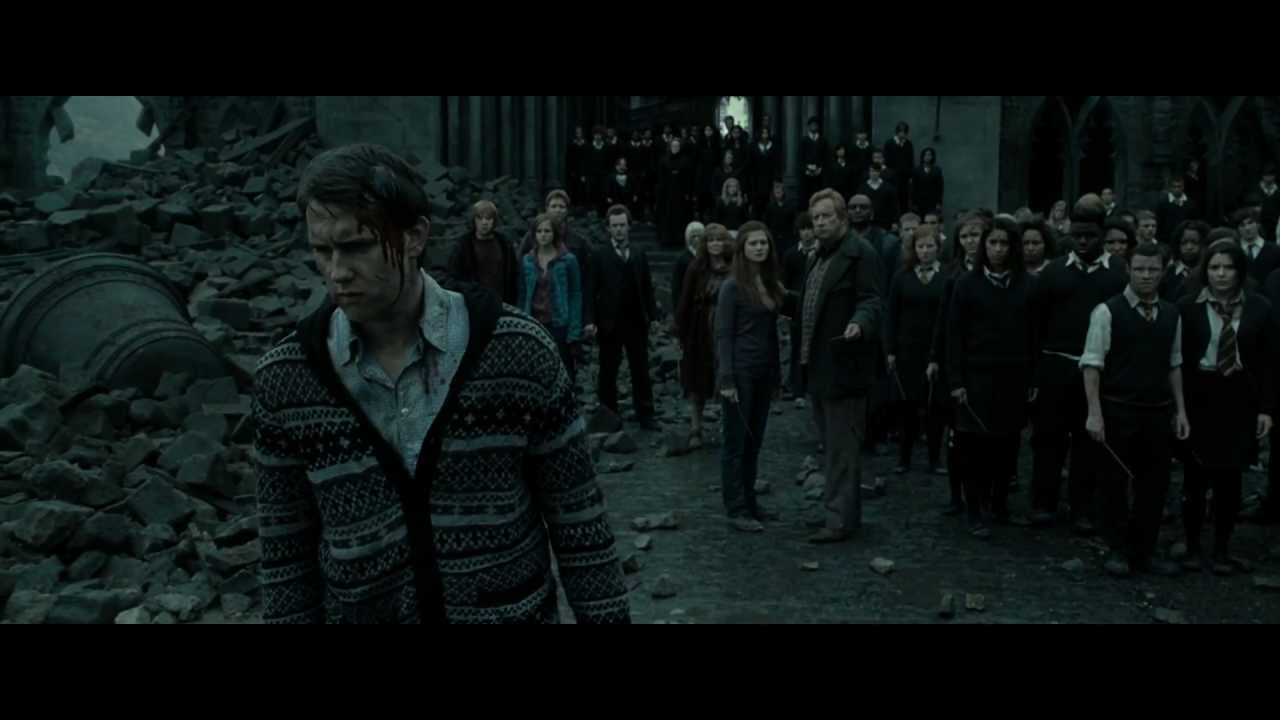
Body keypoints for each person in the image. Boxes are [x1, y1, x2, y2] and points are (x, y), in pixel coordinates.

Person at [253, 143, 629, 624]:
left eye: (357, 247)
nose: (336, 272)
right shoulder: (287, 379)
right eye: (321, 251)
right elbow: (286, 563)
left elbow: (580, 526)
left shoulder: (517, 352)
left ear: (415, 236)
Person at [1081, 242, 1190, 578]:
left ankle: (1144, 551)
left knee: (1154, 485)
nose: (1146, 275)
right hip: (1118, 410)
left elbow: (1174, 364)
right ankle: (1117, 549)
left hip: (1157, 412)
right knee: (1114, 483)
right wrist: (1094, 413)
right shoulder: (1106, 312)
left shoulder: (1172, 314)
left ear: (1163, 272)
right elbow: (1092, 366)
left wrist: (1181, 411)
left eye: (1153, 269)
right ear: (1128, 269)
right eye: (1139, 269)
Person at [1026, 206, 1127, 531]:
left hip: (1096, 373)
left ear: (1102, 235)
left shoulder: (1117, 275)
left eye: (1090, 236)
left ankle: (1082, 508)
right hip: (1055, 368)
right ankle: (1043, 503)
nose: (1083, 241)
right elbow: (1036, 326)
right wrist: (1037, 373)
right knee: (1048, 438)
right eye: (1077, 235)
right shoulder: (1053, 273)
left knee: (1089, 441)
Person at [1178, 240, 1275, 574]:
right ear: (1205, 271)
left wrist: (1266, 409)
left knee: (1230, 478)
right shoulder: (1188, 306)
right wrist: (1178, 407)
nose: (1221, 274)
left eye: (1229, 267)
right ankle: (1192, 546)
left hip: (1239, 396)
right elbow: (1177, 360)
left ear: (1240, 272)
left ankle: (1222, 549)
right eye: (1214, 267)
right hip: (1199, 395)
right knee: (1194, 476)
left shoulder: (1260, 307)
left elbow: (1269, 362)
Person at [798, 189, 883, 543]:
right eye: (815, 217)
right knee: (831, 444)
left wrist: (859, 323)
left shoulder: (860, 253)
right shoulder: (817, 255)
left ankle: (838, 521)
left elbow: (873, 299)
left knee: (842, 449)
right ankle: (845, 514)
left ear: (842, 218)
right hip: (818, 364)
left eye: (826, 217)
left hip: (845, 365)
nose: (819, 223)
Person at [946, 217, 1036, 538]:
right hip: (975, 377)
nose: (998, 249)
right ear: (984, 246)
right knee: (974, 446)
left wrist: (1032, 378)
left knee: (1007, 444)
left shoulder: (1026, 285)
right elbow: (953, 335)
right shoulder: (966, 284)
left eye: (1004, 243)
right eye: (992, 243)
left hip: (1012, 377)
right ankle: (974, 510)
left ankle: (999, 505)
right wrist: (956, 381)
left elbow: (1033, 335)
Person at [717, 220, 788, 532]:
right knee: (736, 441)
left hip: (764, 370)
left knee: (755, 440)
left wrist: (776, 376)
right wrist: (727, 379)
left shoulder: (769, 283)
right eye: (753, 243)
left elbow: (772, 334)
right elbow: (723, 334)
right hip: (740, 371)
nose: (759, 248)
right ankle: (736, 509)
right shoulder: (732, 286)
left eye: (763, 243)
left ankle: (750, 501)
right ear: (742, 248)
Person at [929, 212, 987, 516]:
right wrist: (935, 358)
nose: (970, 242)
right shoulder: (952, 275)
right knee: (956, 433)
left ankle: (985, 494)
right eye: (965, 236)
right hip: (956, 360)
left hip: (985, 362)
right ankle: (956, 495)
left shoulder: (993, 272)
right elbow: (942, 322)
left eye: (975, 235)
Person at [886, 222, 948, 475]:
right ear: (914, 249)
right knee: (907, 406)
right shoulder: (901, 276)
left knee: (935, 407)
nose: (925, 251)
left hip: (936, 352)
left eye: (930, 246)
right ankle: (904, 458)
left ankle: (935, 459)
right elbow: (891, 315)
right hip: (906, 352)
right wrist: (890, 350)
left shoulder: (948, 277)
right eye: (920, 247)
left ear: (938, 248)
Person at [594, 205, 662, 429]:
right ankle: (608, 414)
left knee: (640, 368)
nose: (619, 230)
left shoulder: (639, 253)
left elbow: (647, 287)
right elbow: (592, 289)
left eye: (622, 225)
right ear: (608, 228)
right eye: (615, 226)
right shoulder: (600, 254)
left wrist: (653, 316)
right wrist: (591, 320)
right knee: (608, 370)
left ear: (629, 226)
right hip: (609, 322)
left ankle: (646, 414)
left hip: (636, 321)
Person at [675, 223, 733, 451]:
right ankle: (696, 428)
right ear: (705, 244)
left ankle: (728, 427)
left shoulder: (735, 267)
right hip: (700, 330)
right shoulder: (696, 267)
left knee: (727, 376)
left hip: (727, 328)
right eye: (711, 240)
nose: (715, 244)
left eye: (719, 239)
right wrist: (681, 331)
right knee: (697, 379)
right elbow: (685, 300)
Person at [520, 190, 596, 341]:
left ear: (567, 210)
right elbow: (522, 280)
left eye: (561, 207)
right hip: (535, 315)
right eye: (553, 206)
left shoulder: (578, 242)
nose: (557, 210)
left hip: (564, 315)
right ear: (546, 208)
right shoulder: (532, 238)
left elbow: (584, 285)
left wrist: (587, 319)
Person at [518, 212, 584, 379]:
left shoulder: (568, 260)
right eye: (539, 231)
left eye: (547, 231)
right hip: (534, 323)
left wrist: (574, 330)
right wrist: (522, 323)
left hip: (559, 323)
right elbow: (523, 294)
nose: (543, 235)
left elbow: (575, 295)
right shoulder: (527, 261)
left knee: (563, 372)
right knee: (536, 372)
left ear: (554, 233)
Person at [447, 199, 519, 305]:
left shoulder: (504, 244)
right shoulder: (464, 245)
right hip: (474, 304)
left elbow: (513, 275)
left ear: (494, 221)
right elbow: (453, 277)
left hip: (501, 302)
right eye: (480, 218)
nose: (484, 222)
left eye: (488, 218)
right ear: (474, 220)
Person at [782, 211, 817, 406]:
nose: (807, 233)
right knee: (797, 347)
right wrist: (786, 312)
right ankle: (798, 390)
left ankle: (813, 387)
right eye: (803, 229)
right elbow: (784, 285)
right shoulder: (790, 255)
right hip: (796, 308)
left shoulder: (821, 252)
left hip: (815, 305)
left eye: (810, 228)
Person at [656, 138, 694, 247]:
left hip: (681, 194)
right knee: (667, 216)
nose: (675, 148)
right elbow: (660, 178)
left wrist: (688, 193)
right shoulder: (664, 160)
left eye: (677, 146)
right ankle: (667, 239)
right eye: (673, 146)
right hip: (667, 194)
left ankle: (679, 240)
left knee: (680, 217)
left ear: (680, 147)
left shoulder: (686, 161)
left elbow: (688, 178)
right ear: (670, 147)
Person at [1160, 220, 1210, 302]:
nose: (1189, 247)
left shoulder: (1208, 273)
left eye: (1194, 242)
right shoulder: (1168, 274)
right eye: (1184, 242)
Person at [1237, 206, 1280, 285]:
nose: (1247, 228)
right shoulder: (1235, 251)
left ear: (1258, 224)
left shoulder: (1275, 250)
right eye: (1242, 225)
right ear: (1237, 229)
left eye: (1250, 223)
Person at [671, 221, 705, 317]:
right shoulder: (681, 258)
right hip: (687, 303)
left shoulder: (706, 256)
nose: (696, 239)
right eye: (693, 236)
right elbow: (676, 285)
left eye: (699, 236)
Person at [883, 122, 915, 215]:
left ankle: (903, 218)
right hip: (892, 177)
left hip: (904, 177)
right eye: (901, 132)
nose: (903, 134)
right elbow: (886, 160)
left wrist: (910, 176)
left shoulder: (908, 144)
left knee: (904, 199)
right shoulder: (889, 143)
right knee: (892, 198)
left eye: (905, 132)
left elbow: (910, 161)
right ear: (897, 132)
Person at [748, 127, 782, 214]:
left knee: (769, 202)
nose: (764, 135)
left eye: (766, 133)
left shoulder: (774, 147)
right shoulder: (753, 147)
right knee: (757, 202)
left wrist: (777, 178)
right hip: (757, 179)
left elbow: (778, 164)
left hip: (770, 178)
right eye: (763, 133)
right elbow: (750, 163)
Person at [1156, 177, 1197, 246]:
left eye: (1179, 186)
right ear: (1170, 188)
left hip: (1185, 239)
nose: (1177, 189)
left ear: (1183, 187)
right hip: (1167, 240)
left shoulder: (1190, 204)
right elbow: (1159, 223)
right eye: (1174, 187)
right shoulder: (1163, 204)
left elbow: (1194, 222)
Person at [859, 163, 900, 233]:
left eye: (876, 171)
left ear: (880, 172)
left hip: (885, 222)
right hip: (868, 222)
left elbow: (894, 206)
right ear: (869, 172)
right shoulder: (862, 188)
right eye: (872, 171)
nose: (874, 173)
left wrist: (895, 222)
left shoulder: (889, 187)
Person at [762, 180, 796, 256]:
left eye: (780, 188)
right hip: (774, 238)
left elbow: (794, 221)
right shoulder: (770, 206)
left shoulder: (790, 205)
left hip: (787, 238)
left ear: (783, 191)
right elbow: (766, 222)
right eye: (776, 188)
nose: (778, 191)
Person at [800, 117, 828, 208]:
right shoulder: (804, 140)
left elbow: (825, 157)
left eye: (815, 125)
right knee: (806, 196)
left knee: (818, 195)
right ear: (808, 127)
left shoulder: (822, 141)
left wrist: (820, 169)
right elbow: (800, 157)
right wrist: (805, 170)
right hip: (806, 174)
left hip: (819, 174)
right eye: (811, 125)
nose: (813, 127)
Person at [911, 147, 944, 216]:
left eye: (929, 155)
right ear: (923, 156)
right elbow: (914, 188)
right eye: (926, 155)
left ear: (932, 157)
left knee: (931, 219)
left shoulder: (937, 170)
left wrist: (939, 203)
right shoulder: (916, 170)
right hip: (920, 202)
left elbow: (940, 188)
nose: (927, 157)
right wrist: (914, 203)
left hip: (932, 202)